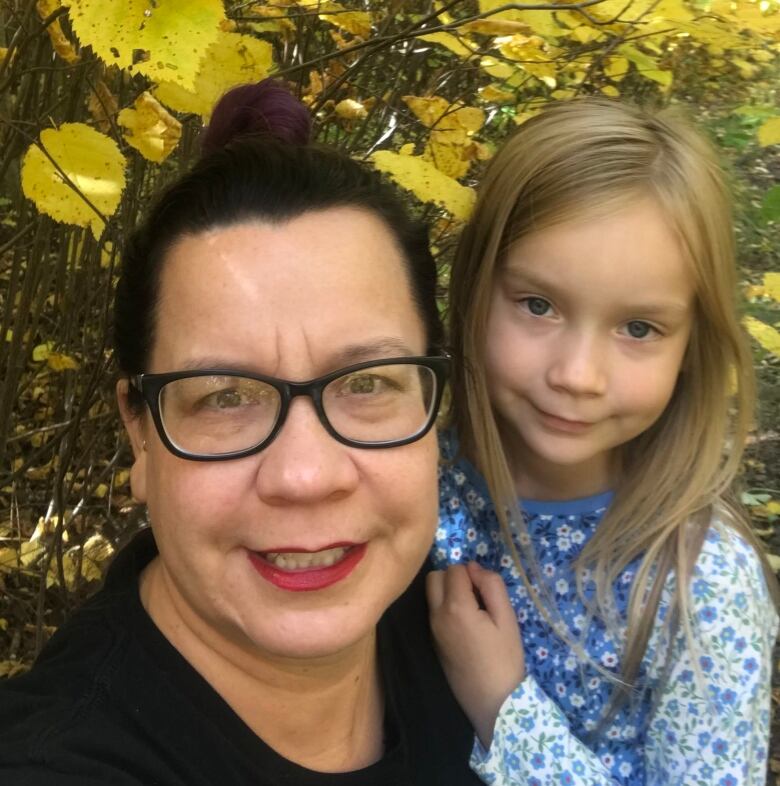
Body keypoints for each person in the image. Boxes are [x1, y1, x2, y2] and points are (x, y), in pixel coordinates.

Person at [0, 80, 483, 785]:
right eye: (226, 397)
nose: (306, 476)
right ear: (140, 435)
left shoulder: (484, 636)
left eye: (368, 384)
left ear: (433, 405)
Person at [427, 99, 779, 786]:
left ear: (691, 347)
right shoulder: (417, 485)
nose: (577, 376)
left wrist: (505, 707)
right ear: (474, 290)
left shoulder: (696, 584)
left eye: (639, 329)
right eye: (538, 305)